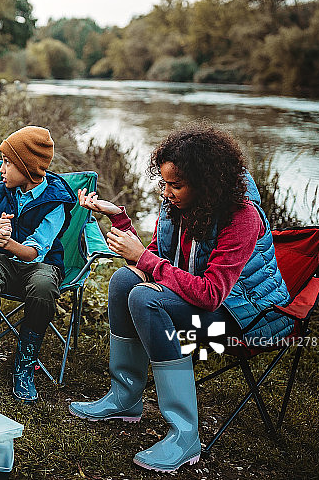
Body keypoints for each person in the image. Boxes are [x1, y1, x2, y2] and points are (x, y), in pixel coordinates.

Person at [69, 125, 293, 472]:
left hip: (247, 314)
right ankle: (124, 397)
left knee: (146, 299)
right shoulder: (176, 205)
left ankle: (185, 435)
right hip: (205, 298)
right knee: (124, 281)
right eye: (164, 183)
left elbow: (211, 294)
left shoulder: (242, 217)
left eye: (176, 185)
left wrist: (144, 259)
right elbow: (155, 257)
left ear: (206, 183)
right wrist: (118, 218)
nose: (167, 192)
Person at [0, 126, 77, 402]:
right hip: (2, 261)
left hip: (41, 264)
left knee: (43, 287)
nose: (2, 169)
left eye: (8, 162)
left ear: (26, 167)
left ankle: (24, 365)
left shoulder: (56, 201)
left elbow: (35, 252)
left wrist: (8, 242)